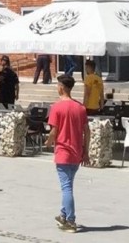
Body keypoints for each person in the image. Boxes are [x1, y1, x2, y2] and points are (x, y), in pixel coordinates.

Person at [44, 75, 89, 233]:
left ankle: (70, 220)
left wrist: (49, 142)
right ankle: (63, 215)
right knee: (69, 183)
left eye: (57, 85)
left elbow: (54, 131)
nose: (57, 87)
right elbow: (87, 131)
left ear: (61, 87)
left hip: (63, 152)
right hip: (76, 152)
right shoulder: (80, 108)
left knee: (66, 187)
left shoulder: (56, 107)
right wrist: (86, 152)